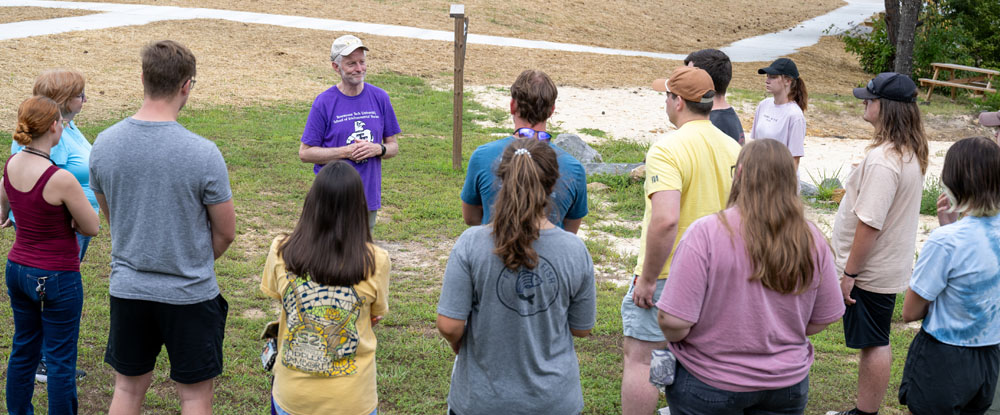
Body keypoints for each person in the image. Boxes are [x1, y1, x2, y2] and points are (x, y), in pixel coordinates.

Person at [89, 40, 236, 414]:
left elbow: (113, 216)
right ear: (187, 85)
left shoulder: (104, 144)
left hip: (129, 289)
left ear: (142, 78)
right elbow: (226, 232)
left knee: (127, 389)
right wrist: (192, 257)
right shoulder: (203, 153)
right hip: (190, 293)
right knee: (195, 395)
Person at [656, 138, 845, 414]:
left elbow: (673, 320)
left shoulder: (705, 233)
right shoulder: (812, 238)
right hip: (786, 383)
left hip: (709, 380)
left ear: (740, 173)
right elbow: (824, 317)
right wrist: (779, 331)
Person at [437, 138, 596, 414]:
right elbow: (582, 328)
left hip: (482, 401)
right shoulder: (575, 249)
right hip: (554, 402)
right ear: (552, 185)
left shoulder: (471, 243)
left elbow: (450, 325)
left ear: (501, 180)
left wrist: (459, 343)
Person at [621, 66, 741, 415]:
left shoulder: (667, 149)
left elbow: (666, 220)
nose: (666, 102)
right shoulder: (734, 148)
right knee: (690, 356)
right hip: (719, 275)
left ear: (678, 102)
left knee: (643, 358)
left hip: (669, 274)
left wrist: (646, 278)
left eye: (667, 95)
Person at [826, 72, 929, 415]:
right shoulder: (906, 152)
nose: (864, 102)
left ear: (886, 107)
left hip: (869, 273)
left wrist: (850, 273)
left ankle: (865, 412)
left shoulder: (885, 160)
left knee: (874, 342)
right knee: (874, 339)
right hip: (883, 268)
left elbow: (870, 223)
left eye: (870, 99)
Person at [260, 161, 390, 415]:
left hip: (292, 398)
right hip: (353, 401)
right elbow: (374, 316)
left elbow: (283, 301)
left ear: (312, 202)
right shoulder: (377, 260)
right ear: (359, 207)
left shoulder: (280, 250)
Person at [2, 95, 99, 414]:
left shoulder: (11, 165)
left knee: (23, 349)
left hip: (18, 268)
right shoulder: (61, 179)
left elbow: (4, 206)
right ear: (55, 127)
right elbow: (92, 227)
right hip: (57, 275)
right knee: (60, 358)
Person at [897, 136, 1000, 415]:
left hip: (944, 358)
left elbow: (910, 312)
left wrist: (947, 231)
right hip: (989, 355)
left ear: (954, 180)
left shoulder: (945, 241)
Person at [461, 69, 587, 232]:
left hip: (494, 246)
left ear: (512, 106)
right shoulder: (574, 168)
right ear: (551, 110)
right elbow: (569, 232)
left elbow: (471, 218)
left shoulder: (482, 156)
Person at [299, 34, 401, 233]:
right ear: (336, 67)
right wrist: (345, 152)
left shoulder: (380, 97)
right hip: (331, 198)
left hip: (366, 199)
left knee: (361, 251)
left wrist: (378, 149)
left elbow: (393, 147)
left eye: (362, 62)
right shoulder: (324, 102)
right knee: (327, 251)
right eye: (351, 64)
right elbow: (305, 153)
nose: (359, 68)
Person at [751, 57, 807, 171]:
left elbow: (794, 160)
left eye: (773, 77)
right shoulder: (763, 105)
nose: (767, 80)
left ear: (788, 81)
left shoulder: (795, 116)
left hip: (780, 179)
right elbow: (754, 143)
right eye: (767, 76)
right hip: (759, 176)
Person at [684, 48, 745, 144]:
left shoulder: (710, 125)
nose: (685, 80)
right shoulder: (729, 117)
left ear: (703, 80)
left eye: (689, 75)